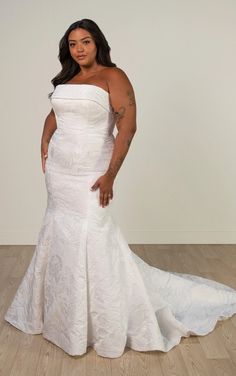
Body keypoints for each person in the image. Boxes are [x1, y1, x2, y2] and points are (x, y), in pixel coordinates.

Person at [4, 18, 236, 359]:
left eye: (85, 41)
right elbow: (57, 112)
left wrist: (111, 174)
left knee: (95, 238)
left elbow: (127, 127)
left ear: (97, 43)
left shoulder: (113, 76)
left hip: (91, 171)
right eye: (72, 43)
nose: (79, 48)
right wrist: (44, 137)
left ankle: (103, 321)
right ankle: (62, 316)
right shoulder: (68, 78)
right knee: (59, 234)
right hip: (59, 175)